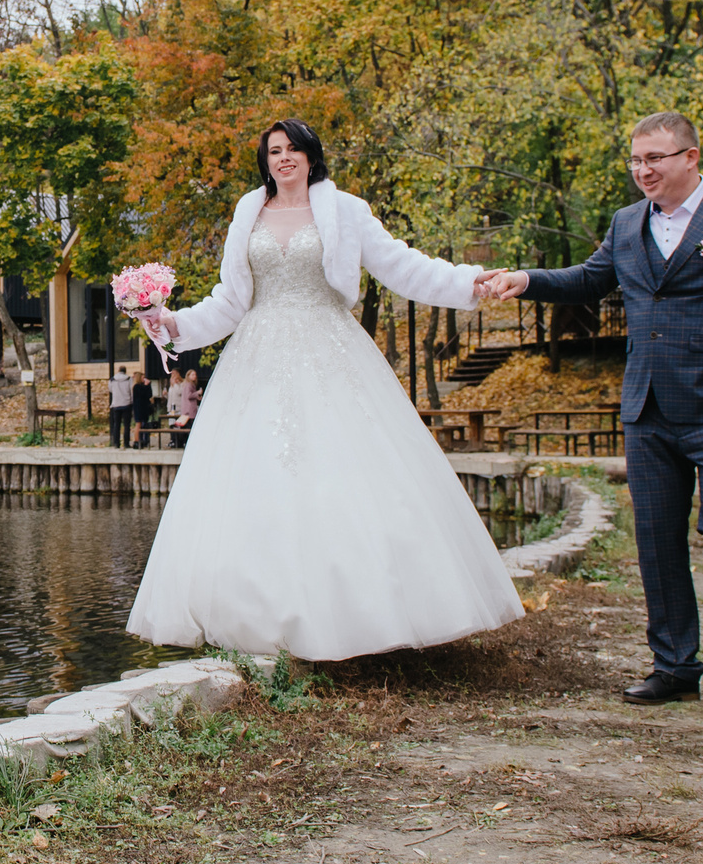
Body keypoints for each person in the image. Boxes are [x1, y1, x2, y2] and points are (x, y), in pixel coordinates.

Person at [126, 119, 521, 660]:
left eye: (293, 148)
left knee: (344, 476)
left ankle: (363, 619)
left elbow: (402, 266)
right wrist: (172, 323)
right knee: (256, 479)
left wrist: (466, 281)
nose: (283, 158)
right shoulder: (247, 212)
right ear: (265, 161)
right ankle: (259, 619)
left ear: (311, 156)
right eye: (274, 151)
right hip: (257, 358)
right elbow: (230, 301)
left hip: (330, 350)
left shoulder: (345, 210)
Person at [477, 111, 703, 704]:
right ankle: (674, 666)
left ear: (690, 157)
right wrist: (528, 279)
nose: (643, 170)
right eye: (635, 160)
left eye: (654, 159)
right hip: (648, 407)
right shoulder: (627, 223)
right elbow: (590, 279)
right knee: (656, 537)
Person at [107, 367, 135, 448]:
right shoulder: (128, 379)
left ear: (118, 371)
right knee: (127, 425)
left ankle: (116, 443)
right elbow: (131, 390)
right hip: (126, 403)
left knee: (116, 425)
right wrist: (131, 401)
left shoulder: (112, 379)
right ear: (125, 371)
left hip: (116, 404)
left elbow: (110, 389)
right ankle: (126, 443)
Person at [130, 372, 155, 449]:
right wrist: (146, 386)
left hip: (144, 408)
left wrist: (148, 386)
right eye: (142, 377)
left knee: (144, 424)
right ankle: (137, 440)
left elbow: (149, 395)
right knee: (138, 423)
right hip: (139, 408)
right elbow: (142, 394)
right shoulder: (136, 387)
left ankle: (144, 440)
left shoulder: (143, 386)